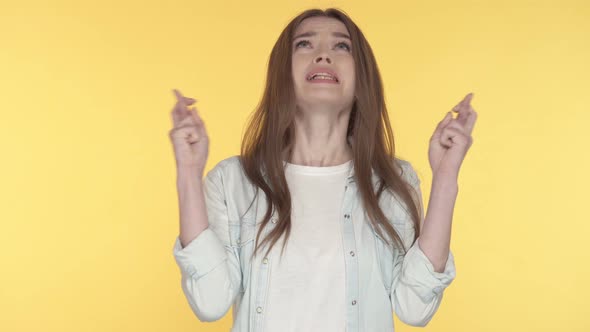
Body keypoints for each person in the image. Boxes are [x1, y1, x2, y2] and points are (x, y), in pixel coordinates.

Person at [168, 7, 477, 332]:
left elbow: (415, 307)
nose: (323, 56)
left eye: (342, 46)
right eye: (304, 44)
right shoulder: (233, 181)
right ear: (281, 75)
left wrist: (445, 178)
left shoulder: (393, 182)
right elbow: (209, 301)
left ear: (362, 79)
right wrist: (188, 172)